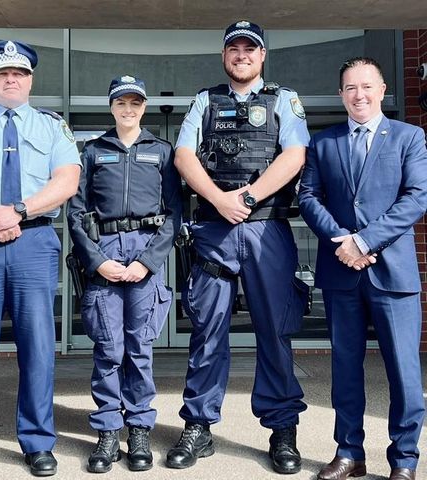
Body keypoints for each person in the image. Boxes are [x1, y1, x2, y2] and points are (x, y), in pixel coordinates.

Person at [165, 21, 310, 475]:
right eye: (234, 49)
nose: (242, 55)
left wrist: (246, 198)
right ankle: (199, 427)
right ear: (224, 56)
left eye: (251, 48)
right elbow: (184, 156)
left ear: (262, 55)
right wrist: (219, 199)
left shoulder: (284, 100)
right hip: (214, 229)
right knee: (207, 333)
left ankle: (282, 429)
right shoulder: (205, 101)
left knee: (276, 333)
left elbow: (295, 155)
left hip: (267, 230)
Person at [0, 40, 81, 479]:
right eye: (3, 73)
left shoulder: (51, 127)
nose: (11, 79)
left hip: (34, 242)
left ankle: (38, 443)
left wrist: (18, 211)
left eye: (19, 74)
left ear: (30, 80)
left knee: (39, 349)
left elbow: (67, 180)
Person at [298, 57, 427, 480]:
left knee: (404, 372)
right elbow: (309, 198)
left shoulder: (410, 137)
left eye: (367, 86)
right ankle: (349, 453)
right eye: (351, 87)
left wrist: (364, 240)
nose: (360, 94)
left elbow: (416, 198)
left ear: (383, 89)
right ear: (341, 94)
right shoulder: (323, 142)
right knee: (346, 369)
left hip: (393, 275)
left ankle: (405, 460)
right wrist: (342, 239)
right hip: (341, 273)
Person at [67, 75, 182, 473]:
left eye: (135, 103)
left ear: (144, 107)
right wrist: (97, 260)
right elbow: (77, 212)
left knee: (139, 349)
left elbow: (173, 214)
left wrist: (147, 262)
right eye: (121, 103)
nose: (128, 110)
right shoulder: (93, 152)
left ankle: (138, 430)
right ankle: (106, 432)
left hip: (144, 255)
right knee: (108, 349)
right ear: (111, 107)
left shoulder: (162, 152)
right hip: (106, 254)